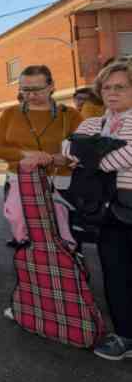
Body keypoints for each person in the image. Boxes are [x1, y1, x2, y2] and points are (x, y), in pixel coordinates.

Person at [63, 61, 132, 361]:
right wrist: (101, 153)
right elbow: (68, 149)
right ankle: (125, 336)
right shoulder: (92, 122)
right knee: (116, 274)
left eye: (121, 87)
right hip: (107, 210)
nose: (112, 93)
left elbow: (119, 157)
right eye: (107, 87)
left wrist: (94, 157)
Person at [0, 65, 82, 247]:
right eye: (25, 90)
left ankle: (66, 272)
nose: (31, 95)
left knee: (62, 238)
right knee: (27, 239)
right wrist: (26, 154)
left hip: (60, 183)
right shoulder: (10, 113)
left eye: (37, 90)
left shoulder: (70, 115)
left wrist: (65, 158)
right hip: (20, 181)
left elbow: (82, 150)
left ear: (51, 86)